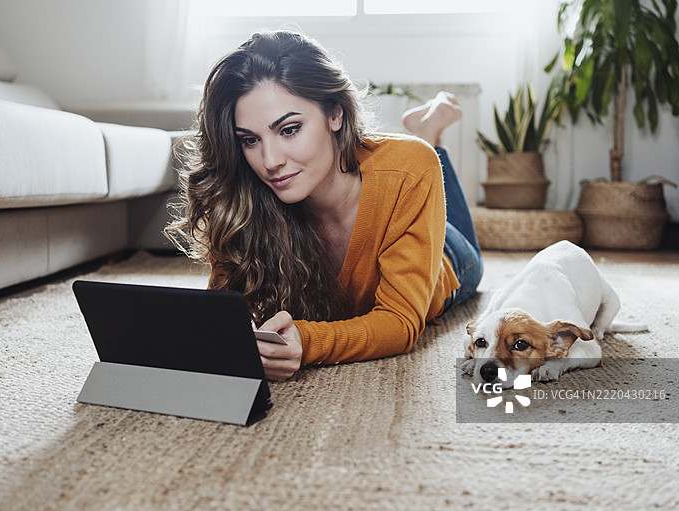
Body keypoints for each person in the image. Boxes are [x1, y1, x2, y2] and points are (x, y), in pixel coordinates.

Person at [166, 30, 482, 381]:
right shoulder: (245, 195)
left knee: (441, 199)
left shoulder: (408, 168)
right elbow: (223, 314)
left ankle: (429, 134)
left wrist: (310, 342)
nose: (270, 161)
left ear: (335, 114)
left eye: (289, 129)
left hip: (450, 259)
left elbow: (400, 323)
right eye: (250, 140)